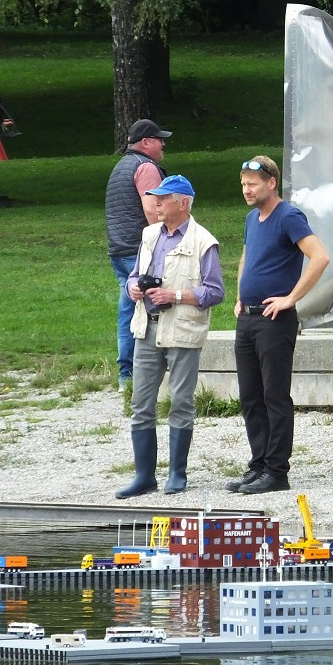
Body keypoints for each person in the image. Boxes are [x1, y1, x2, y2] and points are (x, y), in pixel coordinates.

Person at [117, 175, 224, 498]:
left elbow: (215, 292)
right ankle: (144, 476)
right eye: (156, 198)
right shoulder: (149, 235)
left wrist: (175, 295)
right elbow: (134, 275)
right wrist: (132, 286)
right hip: (146, 327)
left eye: (163, 198)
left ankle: (177, 473)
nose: (156, 203)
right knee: (141, 403)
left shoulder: (204, 241)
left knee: (180, 401)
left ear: (184, 203)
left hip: (182, 331)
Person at [228, 156, 330, 495]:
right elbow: (247, 255)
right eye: (244, 184)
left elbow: (320, 257)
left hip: (275, 320)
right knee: (250, 396)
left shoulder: (289, 216)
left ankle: (276, 470)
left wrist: (291, 298)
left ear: (272, 182)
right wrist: (241, 293)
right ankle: (258, 465)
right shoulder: (251, 218)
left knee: (274, 396)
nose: (247, 189)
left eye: (253, 183)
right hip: (248, 317)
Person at [105, 118, 171, 388]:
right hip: (139, 251)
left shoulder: (121, 166)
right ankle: (144, 372)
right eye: (159, 139)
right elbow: (152, 210)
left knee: (128, 311)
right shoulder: (145, 167)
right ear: (146, 143)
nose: (163, 144)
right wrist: (166, 240)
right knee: (154, 308)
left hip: (119, 250)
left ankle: (126, 376)